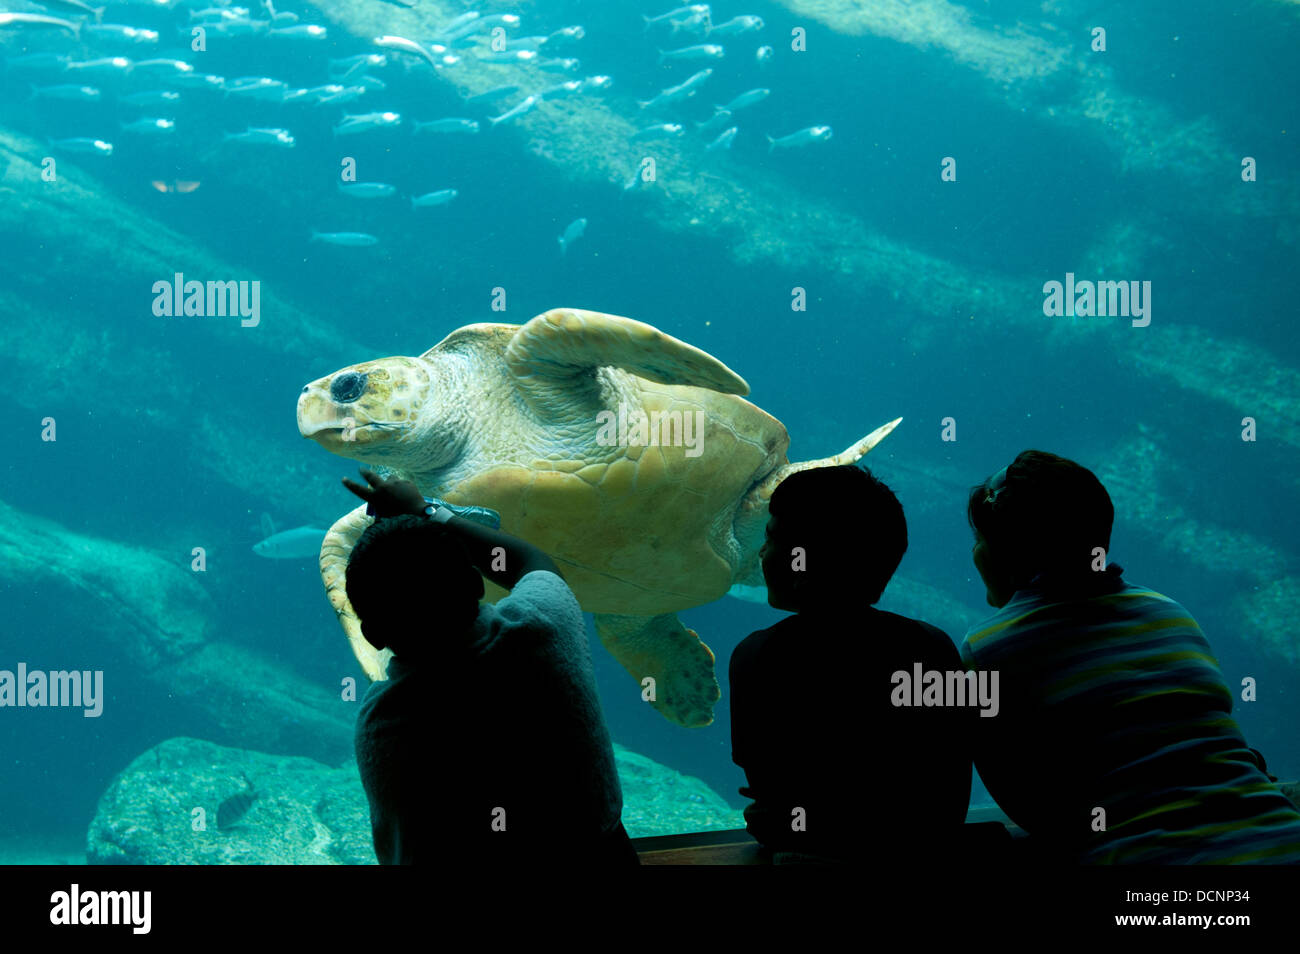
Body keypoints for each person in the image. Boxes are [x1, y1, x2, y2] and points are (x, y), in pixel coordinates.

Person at [963, 450, 1300, 864]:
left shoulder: (986, 651)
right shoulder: (1169, 611)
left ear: (1003, 551)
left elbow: (1032, 810)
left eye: (979, 540)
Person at [343, 468, 639, 866]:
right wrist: (425, 510)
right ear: (475, 584)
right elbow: (530, 562)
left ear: (372, 634)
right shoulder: (541, 628)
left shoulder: (380, 726)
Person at [729, 464, 973, 863]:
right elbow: (947, 790)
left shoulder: (756, 656)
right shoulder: (934, 647)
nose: (760, 551)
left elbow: (766, 790)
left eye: (770, 538)